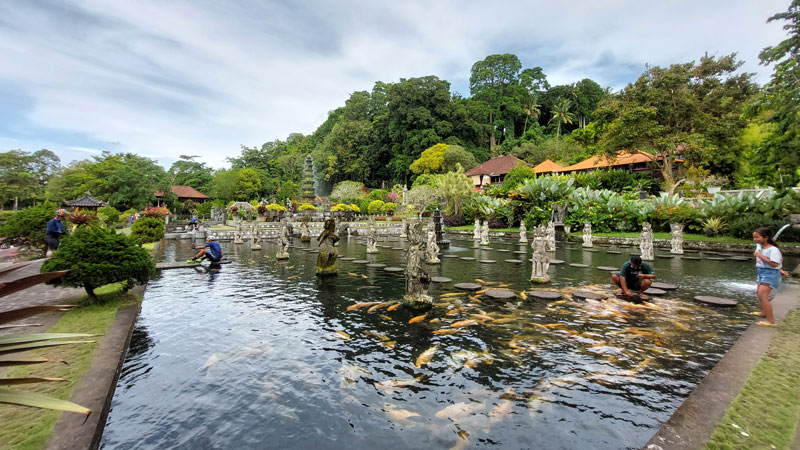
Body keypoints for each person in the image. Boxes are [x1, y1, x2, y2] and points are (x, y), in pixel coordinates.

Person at [752, 227, 785, 326]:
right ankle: (763, 312)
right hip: (762, 272)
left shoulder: (773, 250)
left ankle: (770, 321)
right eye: (754, 237)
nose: (755, 240)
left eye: (757, 237)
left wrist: (760, 255)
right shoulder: (761, 247)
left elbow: (774, 264)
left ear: (766, 238)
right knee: (759, 294)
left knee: (763, 295)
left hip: (770, 273)